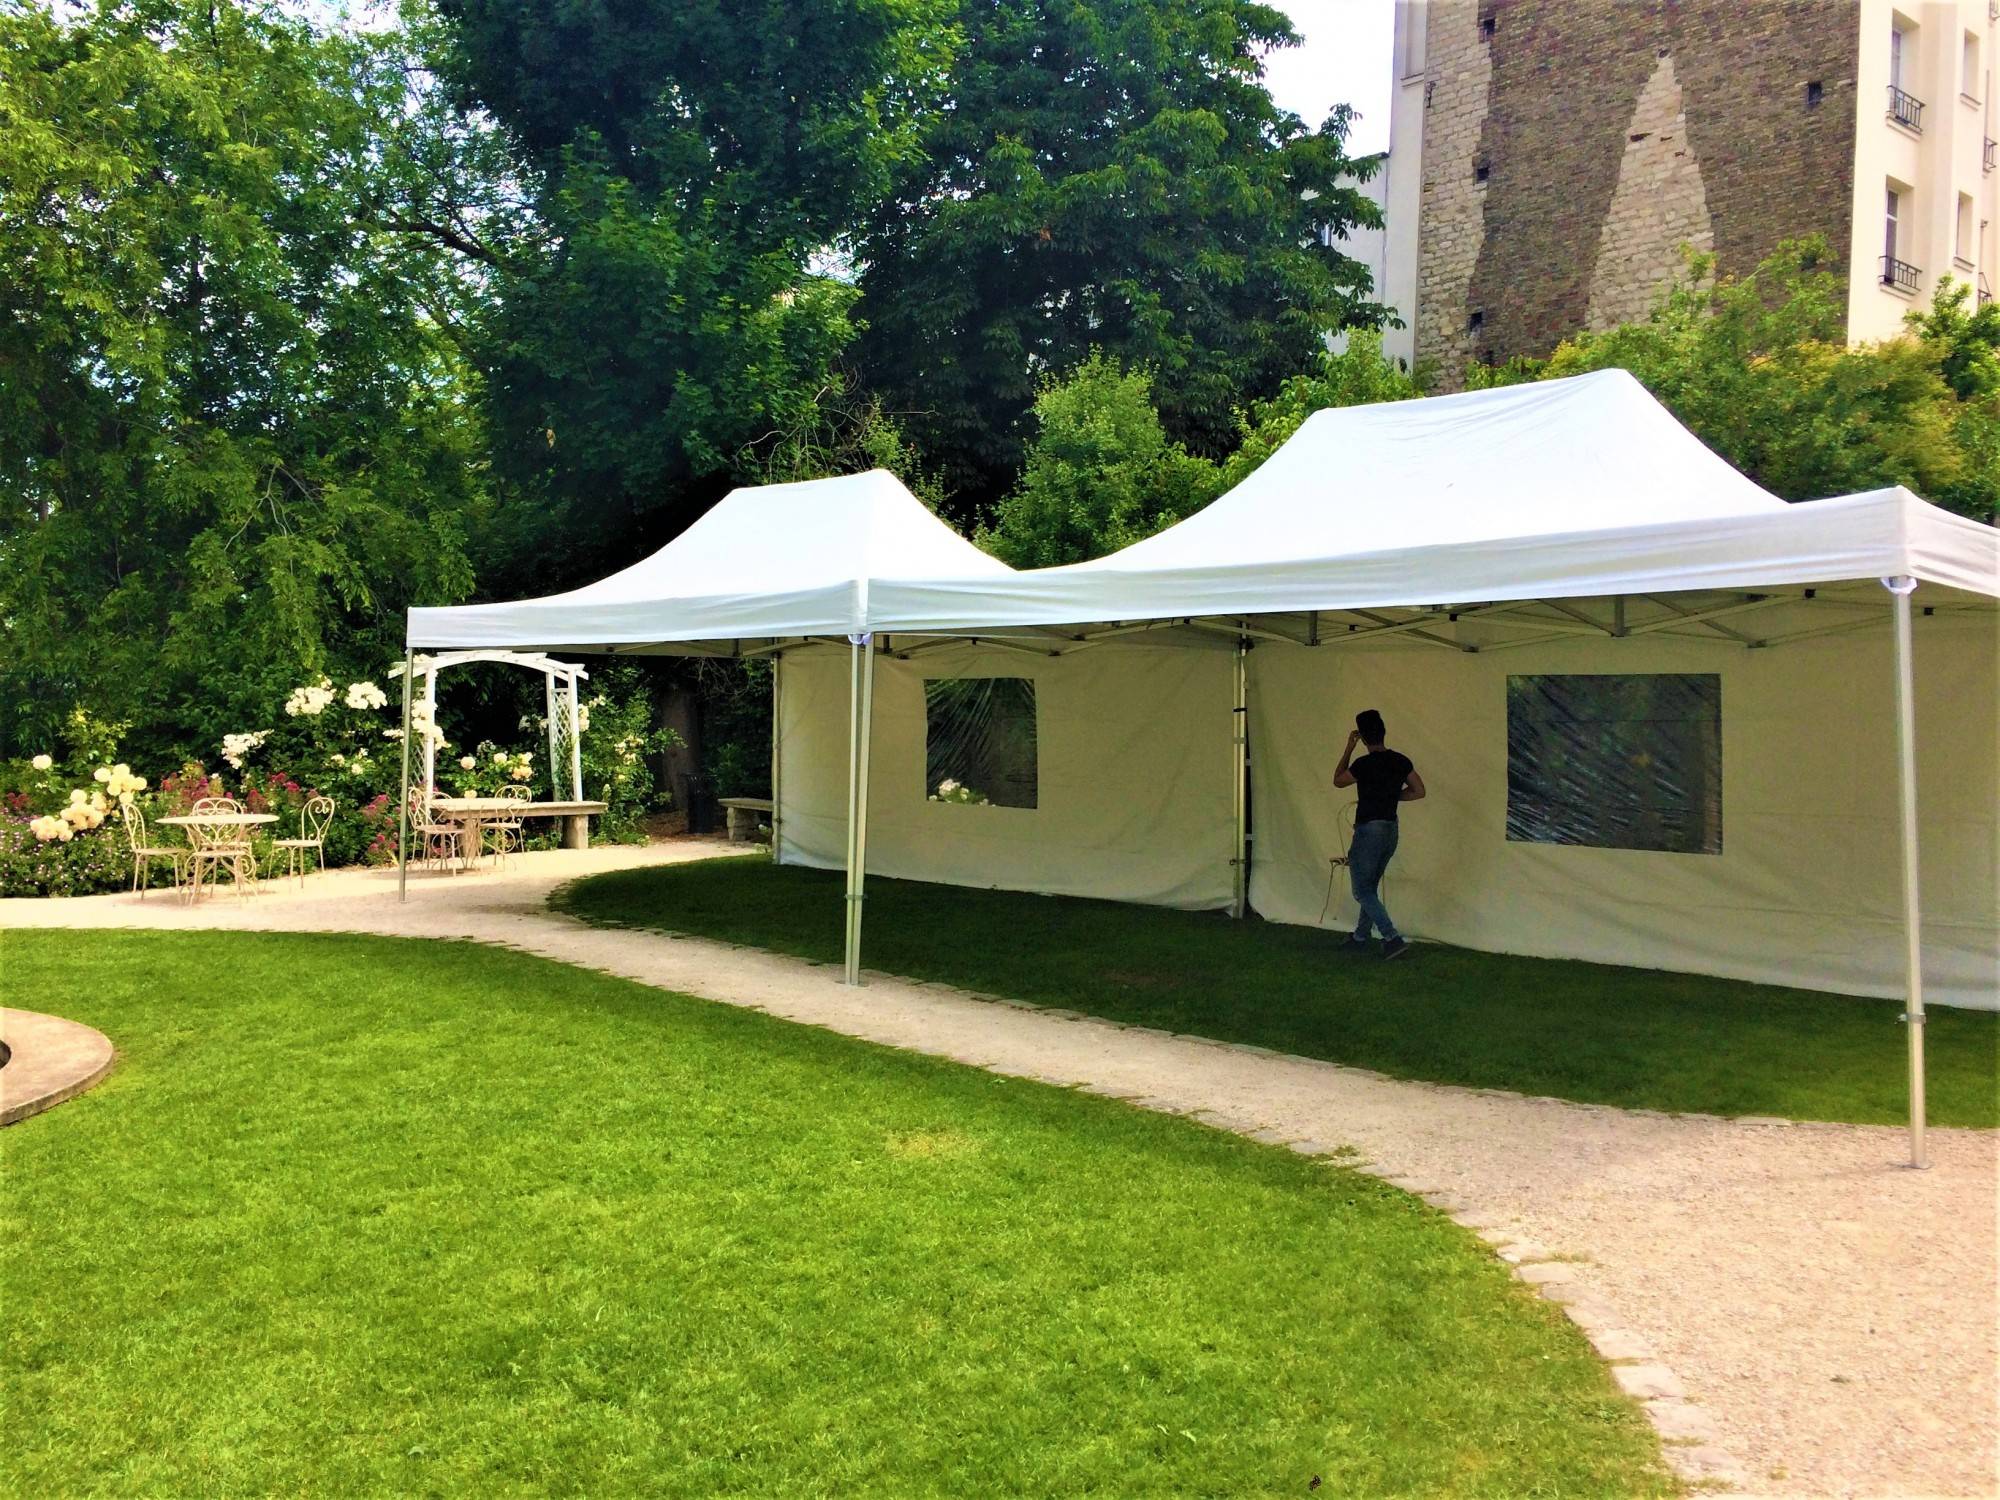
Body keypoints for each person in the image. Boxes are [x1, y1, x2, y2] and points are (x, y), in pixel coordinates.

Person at [1332, 709, 1425, 959]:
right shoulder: (1400, 761)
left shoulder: (1363, 764)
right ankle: (1360, 936)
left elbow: (1338, 780)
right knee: (1370, 886)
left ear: (1363, 737)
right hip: (1390, 828)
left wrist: (1348, 748)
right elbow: (1418, 791)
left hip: (1368, 829)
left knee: (1362, 890)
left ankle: (1391, 937)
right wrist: (1393, 796)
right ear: (1383, 732)